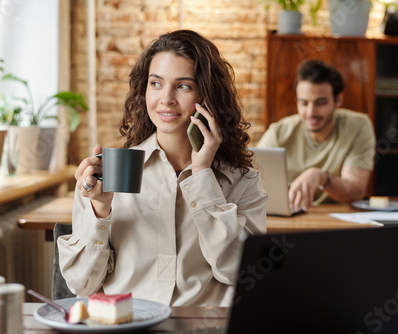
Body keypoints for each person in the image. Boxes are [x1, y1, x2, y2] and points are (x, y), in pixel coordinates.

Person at [58, 30, 267, 307]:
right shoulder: (106, 175)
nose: (166, 98)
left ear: (207, 96)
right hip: (128, 325)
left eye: (183, 86)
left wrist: (203, 174)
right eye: (156, 83)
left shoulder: (243, 181)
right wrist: (100, 210)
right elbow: (81, 284)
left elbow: (240, 273)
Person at [257, 59, 375, 212]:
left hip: (338, 222)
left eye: (321, 103)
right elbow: (251, 185)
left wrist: (321, 177)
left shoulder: (358, 126)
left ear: (338, 100)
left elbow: (354, 193)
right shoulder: (278, 133)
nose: (311, 112)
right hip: (289, 218)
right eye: (304, 103)